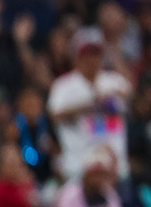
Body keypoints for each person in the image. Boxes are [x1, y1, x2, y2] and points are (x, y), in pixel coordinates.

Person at [48, 27, 132, 183]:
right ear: (76, 57)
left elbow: (131, 94)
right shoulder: (63, 86)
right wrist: (90, 104)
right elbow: (55, 114)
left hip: (116, 170)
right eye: (87, 53)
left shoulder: (114, 81)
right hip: (78, 170)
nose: (92, 59)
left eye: (96, 53)